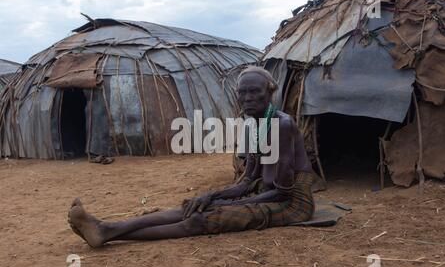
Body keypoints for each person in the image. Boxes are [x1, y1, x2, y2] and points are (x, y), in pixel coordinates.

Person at [68, 66, 315, 248]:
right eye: (243, 93)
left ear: (269, 92)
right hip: (264, 192)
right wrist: (211, 195)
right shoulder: (252, 125)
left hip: (291, 203)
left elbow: (282, 192)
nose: (248, 98)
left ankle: (109, 232)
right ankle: (105, 228)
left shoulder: (281, 124)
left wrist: (224, 204)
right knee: (194, 206)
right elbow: (248, 180)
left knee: (201, 219)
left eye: (255, 92)